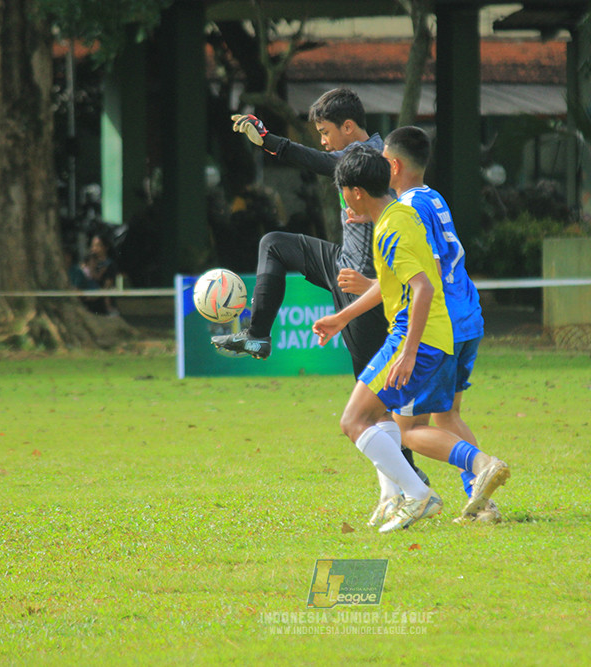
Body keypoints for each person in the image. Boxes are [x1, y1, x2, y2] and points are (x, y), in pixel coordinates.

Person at [214, 89, 428, 487]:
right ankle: (257, 335)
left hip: (361, 284)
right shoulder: (361, 154)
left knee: (374, 404)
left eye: (326, 131)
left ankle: (411, 478)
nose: (323, 140)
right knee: (273, 244)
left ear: (349, 127)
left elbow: (315, 160)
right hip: (340, 263)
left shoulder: (371, 159)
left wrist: (271, 142)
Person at [313, 145, 509, 532]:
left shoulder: (390, 228)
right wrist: (342, 317)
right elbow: (408, 280)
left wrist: (408, 352)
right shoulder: (405, 212)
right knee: (389, 418)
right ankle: (402, 494)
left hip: (414, 339)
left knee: (357, 420)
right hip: (442, 334)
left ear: (354, 192)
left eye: (343, 192)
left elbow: (421, 288)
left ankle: (425, 491)